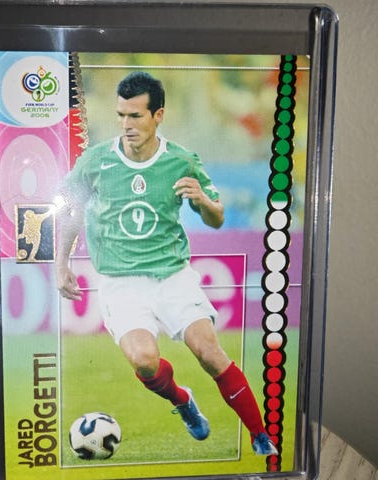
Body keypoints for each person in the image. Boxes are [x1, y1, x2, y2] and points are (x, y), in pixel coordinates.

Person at [55, 71, 277, 456]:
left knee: (209, 351)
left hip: (173, 277)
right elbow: (70, 211)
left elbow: (217, 217)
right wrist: (61, 263)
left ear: (158, 115)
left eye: (136, 116)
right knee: (144, 361)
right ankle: (182, 400)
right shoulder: (95, 162)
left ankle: (260, 437)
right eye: (122, 115)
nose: (127, 124)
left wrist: (203, 201)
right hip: (120, 283)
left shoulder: (181, 161)